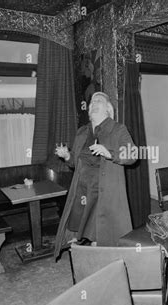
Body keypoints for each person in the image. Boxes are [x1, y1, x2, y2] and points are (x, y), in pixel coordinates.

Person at [53, 92, 137, 259]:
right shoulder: (82, 132)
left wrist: (109, 153)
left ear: (107, 109)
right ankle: (89, 266)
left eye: (98, 101)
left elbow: (132, 155)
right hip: (81, 189)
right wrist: (67, 156)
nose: (93, 103)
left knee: (100, 234)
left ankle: (100, 270)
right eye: (91, 102)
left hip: (103, 190)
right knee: (82, 232)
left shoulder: (118, 129)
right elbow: (76, 163)